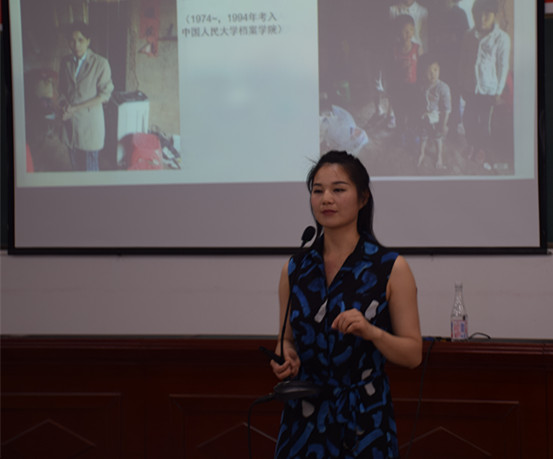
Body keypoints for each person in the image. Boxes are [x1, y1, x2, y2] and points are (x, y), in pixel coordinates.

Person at [270, 151, 422, 458]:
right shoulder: (295, 269)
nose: (326, 199)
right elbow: (286, 339)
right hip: (304, 418)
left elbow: (413, 354)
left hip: (363, 418)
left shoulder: (390, 267)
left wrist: (372, 332)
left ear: (363, 198)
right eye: (318, 190)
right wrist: (285, 355)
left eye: (338, 189)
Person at [458, 0, 510, 169]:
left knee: (484, 123)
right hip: (470, 87)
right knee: (468, 119)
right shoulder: (468, 35)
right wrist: (462, 84)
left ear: (495, 15)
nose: (482, 18)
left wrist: (498, 91)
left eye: (487, 14)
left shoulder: (502, 38)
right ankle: (472, 144)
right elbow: (463, 61)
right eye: (478, 14)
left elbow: (503, 66)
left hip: (488, 89)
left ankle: (482, 148)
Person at [58, 22, 114, 171]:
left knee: (90, 170)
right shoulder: (66, 62)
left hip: (89, 125)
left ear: (88, 41)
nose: (76, 45)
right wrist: (64, 106)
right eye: (72, 40)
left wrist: (75, 108)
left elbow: (105, 96)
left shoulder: (100, 64)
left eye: (80, 40)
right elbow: (62, 90)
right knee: (75, 166)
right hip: (70, 123)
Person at [417, 56, 452, 169]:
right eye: (429, 71)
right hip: (424, 117)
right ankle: (421, 153)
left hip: (437, 119)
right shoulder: (422, 85)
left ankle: (439, 156)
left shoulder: (443, 88)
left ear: (439, 70)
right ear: (423, 73)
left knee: (437, 138)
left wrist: (443, 125)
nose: (433, 74)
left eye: (435, 70)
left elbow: (446, 109)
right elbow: (420, 101)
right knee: (423, 135)